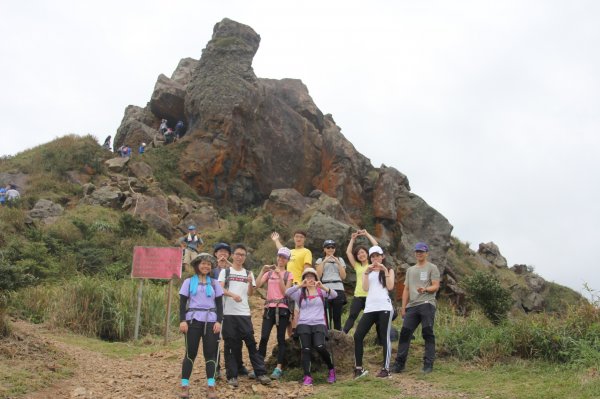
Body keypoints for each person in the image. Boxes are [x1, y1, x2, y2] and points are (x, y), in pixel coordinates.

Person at [218, 244, 271, 387]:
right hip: (228, 314)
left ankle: (261, 373)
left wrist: (249, 284)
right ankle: (232, 376)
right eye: (237, 254)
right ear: (233, 255)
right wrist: (232, 295)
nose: (240, 257)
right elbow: (220, 288)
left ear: (245, 257)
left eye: (242, 255)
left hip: (244, 313)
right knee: (230, 345)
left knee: (251, 344)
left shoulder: (248, 273)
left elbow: (250, 294)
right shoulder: (226, 272)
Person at [178, 253, 223, 399]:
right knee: (190, 353)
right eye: (203, 263)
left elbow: (219, 305)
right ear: (197, 265)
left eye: (208, 264)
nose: (206, 266)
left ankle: (211, 386)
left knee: (210, 354)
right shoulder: (189, 282)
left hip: (211, 321)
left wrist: (219, 322)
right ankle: (184, 385)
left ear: (211, 267)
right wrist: (182, 320)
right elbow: (182, 303)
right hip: (193, 321)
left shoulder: (215, 283)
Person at [391, 242, 440, 374]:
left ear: (426, 253)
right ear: (415, 253)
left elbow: (436, 286)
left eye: (422, 251)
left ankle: (428, 365)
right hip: (412, 306)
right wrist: (403, 307)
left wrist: (425, 289)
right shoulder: (410, 270)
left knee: (427, 333)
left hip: (427, 303)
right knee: (405, 333)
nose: (419, 253)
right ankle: (399, 365)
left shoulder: (432, 268)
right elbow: (406, 289)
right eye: (417, 251)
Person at [286, 267, 337, 386]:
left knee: (319, 346)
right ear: (304, 279)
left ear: (315, 278)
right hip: (303, 323)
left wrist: (322, 286)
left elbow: (334, 295)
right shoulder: (300, 292)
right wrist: (300, 286)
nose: (309, 279)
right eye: (307, 277)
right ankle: (307, 376)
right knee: (306, 349)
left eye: (312, 276)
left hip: (319, 323)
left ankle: (331, 370)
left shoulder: (321, 291)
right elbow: (287, 293)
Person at [353, 245, 395, 379]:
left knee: (384, 337)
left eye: (378, 256)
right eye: (373, 256)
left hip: (384, 307)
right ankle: (359, 368)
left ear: (382, 257)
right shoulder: (368, 270)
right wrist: (366, 272)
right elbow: (365, 288)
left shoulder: (388, 269)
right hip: (370, 307)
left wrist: (384, 271)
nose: (375, 258)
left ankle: (386, 369)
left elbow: (390, 286)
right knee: (358, 335)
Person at [256, 247, 294, 380]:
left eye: (284, 257)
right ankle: (259, 366)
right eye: (279, 256)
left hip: (282, 308)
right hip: (269, 308)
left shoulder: (288, 274)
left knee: (280, 338)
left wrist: (279, 276)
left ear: (287, 260)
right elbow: (257, 285)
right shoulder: (270, 273)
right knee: (264, 337)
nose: (281, 259)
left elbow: (285, 293)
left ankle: (278, 368)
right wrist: (263, 270)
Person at [271, 230, 312, 336]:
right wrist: (276, 240)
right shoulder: (290, 252)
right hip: (285, 285)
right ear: (293, 238)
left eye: (301, 237)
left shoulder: (306, 251)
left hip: (297, 285)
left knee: (296, 312)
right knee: (288, 313)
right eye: (297, 236)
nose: (298, 239)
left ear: (304, 239)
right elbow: (281, 250)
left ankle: (296, 335)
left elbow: (307, 269)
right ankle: (290, 338)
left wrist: (305, 284)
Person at [342, 229, 379, 333]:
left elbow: (376, 246)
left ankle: (380, 338)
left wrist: (367, 234)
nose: (361, 255)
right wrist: (352, 239)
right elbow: (348, 252)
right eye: (358, 254)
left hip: (371, 296)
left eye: (362, 252)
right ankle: (343, 334)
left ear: (367, 253)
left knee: (376, 319)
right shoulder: (357, 266)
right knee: (352, 316)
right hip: (358, 296)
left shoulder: (373, 264)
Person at [315, 239, 347, 331]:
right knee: (327, 316)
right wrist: (325, 261)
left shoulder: (340, 259)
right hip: (325, 288)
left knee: (337, 316)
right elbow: (318, 275)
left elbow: (343, 276)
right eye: (328, 247)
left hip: (338, 288)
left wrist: (337, 262)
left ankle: (338, 338)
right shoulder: (320, 260)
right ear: (324, 249)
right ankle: (326, 336)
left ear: (335, 249)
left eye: (332, 247)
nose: (330, 249)